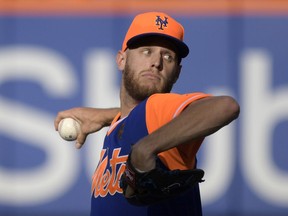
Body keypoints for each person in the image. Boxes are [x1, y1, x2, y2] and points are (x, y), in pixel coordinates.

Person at [54, 12, 240, 216]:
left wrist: (145, 149)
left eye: (167, 56)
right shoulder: (124, 123)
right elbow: (137, 118)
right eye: (146, 51)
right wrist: (107, 116)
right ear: (121, 59)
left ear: (177, 72)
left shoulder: (157, 107)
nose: (156, 62)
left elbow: (225, 106)